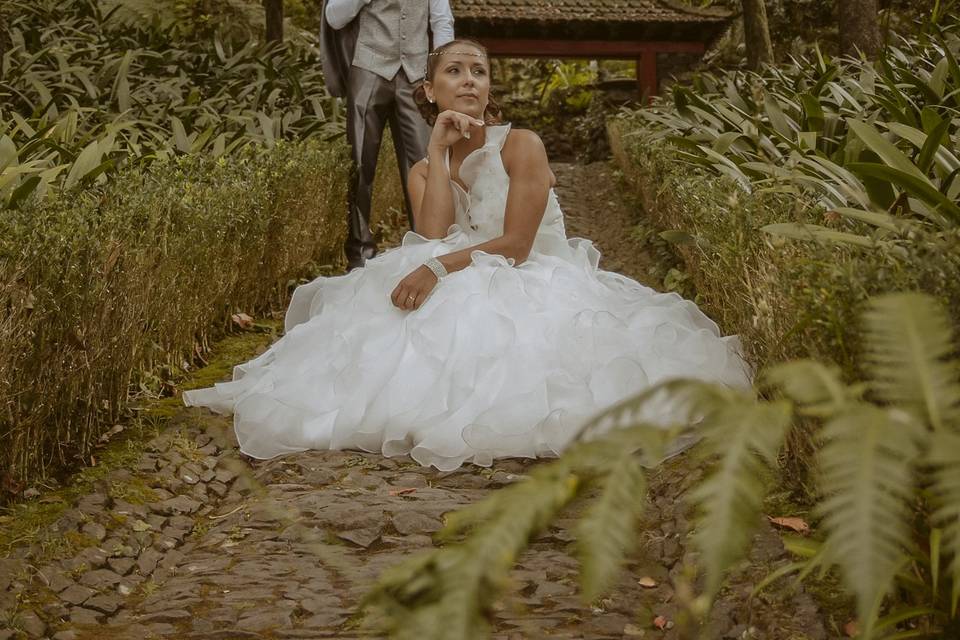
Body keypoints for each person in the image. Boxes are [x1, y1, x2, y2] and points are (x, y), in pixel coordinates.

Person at [183, 39, 751, 471]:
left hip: (529, 270)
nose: (470, 80)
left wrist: (435, 267)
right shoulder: (422, 167)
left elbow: (517, 246)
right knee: (394, 315)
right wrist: (434, 151)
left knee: (479, 316)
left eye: (479, 71)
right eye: (454, 71)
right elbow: (431, 234)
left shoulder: (522, 145)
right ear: (429, 91)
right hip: (459, 263)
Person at [320, 0, 455, 270]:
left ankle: (428, 247)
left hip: (417, 76)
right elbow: (334, 17)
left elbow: (442, 21)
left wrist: (439, 70)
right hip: (368, 69)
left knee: (425, 163)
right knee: (359, 164)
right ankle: (359, 253)